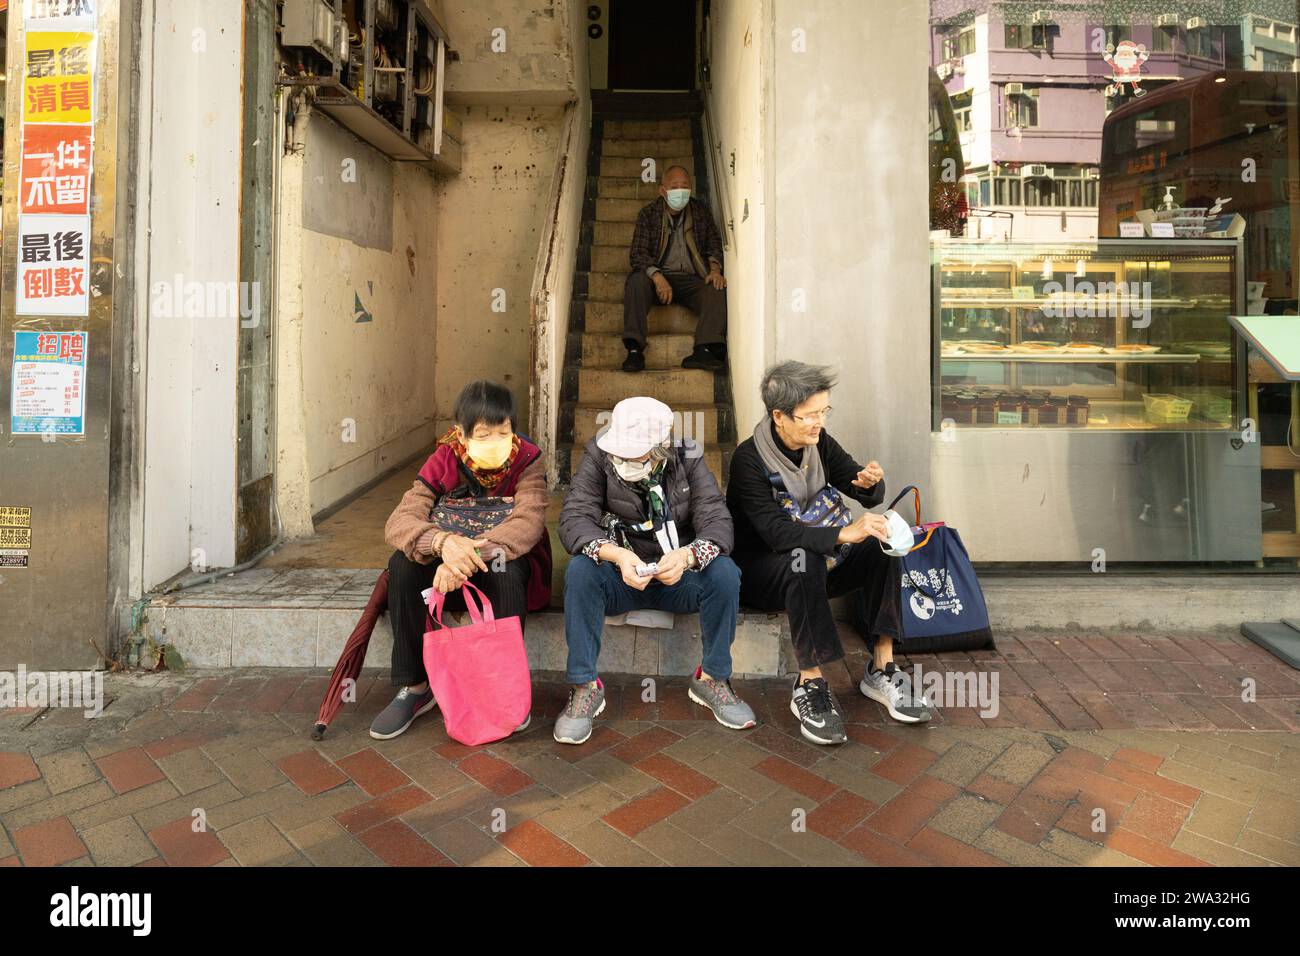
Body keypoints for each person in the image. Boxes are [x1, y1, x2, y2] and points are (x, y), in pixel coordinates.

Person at [726, 361, 932, 745]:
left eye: (824, 411)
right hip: (762, 571)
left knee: (878, 541)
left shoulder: (818, 442)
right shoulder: (748, 460)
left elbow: (857, 483)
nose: (818, 422)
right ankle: (810, 685)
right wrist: (842, 533)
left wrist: (871, 485)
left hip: (822, 560)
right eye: (809, 415)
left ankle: (882, 667)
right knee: (801, 559)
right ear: (779, 416)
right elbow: (776, 532)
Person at [554, 396, 754, 744]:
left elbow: (717, 520)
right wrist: (615, 554)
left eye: (637, 453)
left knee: (724, 572)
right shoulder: (599, 455)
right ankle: (585, 686)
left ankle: (712, 678)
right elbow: (574, 517)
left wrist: (688, 557)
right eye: (623, 451)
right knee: (580, 570)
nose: (626, 459)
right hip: (622, 577)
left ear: (662, 447)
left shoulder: (687, 456)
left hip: (676, 578)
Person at [375, 380, 552, 740]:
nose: (496, 442)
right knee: (402, 565)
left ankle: (504, 689)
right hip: (447, 570)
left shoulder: (528, 460)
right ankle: (415, 686)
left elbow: (528, 522)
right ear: (462, 433)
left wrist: (463, 556)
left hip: (493, 567)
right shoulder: (444, 459)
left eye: (503, 432)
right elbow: (400, 521)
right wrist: (441, 543)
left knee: (506, 566)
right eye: (483, 434)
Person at [623, 165, 728, 373]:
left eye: (685, 186)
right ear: (663, 191)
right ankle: (634, 350)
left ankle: (704, 349)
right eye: (674, 187)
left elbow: (714, 243)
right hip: (658, 279)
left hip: (691, 279)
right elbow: (638, 254)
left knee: (716, 288)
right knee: (636, 281)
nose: (680, 191)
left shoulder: (700, 212)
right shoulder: (649, 214)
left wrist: (715, 269)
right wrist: (658, 277)